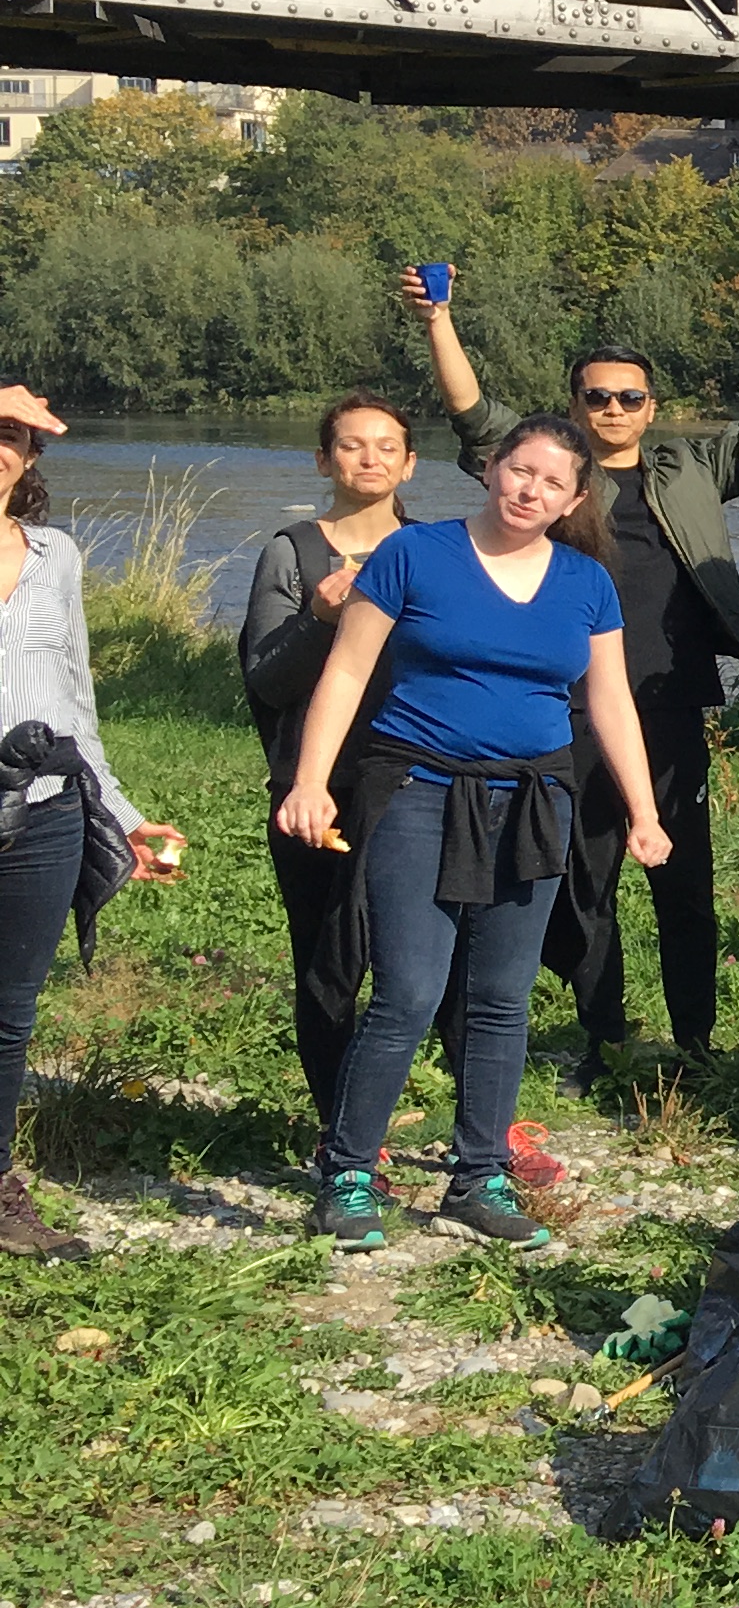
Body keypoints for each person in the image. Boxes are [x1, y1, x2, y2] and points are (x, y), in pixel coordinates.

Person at [418, 266, 739, 1082]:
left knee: (684, 881)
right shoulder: (556, 478)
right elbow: (474, 417)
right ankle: (603, 1039)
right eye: (597, 397)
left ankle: (695, 1040)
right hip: (568, 707)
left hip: (669, 704)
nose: (613, 410)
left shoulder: (690, 469)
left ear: (651, 406)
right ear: (574, 407)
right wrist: (438, 321)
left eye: (629, 397)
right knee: (584, 879)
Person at [280, 413, 664, 1254]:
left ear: (574, 498)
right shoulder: (415, 555)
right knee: (411, 990)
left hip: (533, 803)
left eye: (552, 481)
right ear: (492, 469)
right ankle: (348, 1172)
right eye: (520, 470)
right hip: (416, 788)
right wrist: (311, 781)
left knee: (500, 998)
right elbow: (345, 672)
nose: (531, 490)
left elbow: (609, 704)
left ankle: (478, 1175)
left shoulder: (585, 582)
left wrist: (643, 810)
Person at [0, 388, 180, 1264]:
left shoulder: (55, 555)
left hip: (43, 811)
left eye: (11, 438)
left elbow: (77, 704)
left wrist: (123, 813)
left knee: (9, 1015)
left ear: (31, 458)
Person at [238, 393, 421, 1129]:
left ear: (410, 463)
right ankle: (338, 1129)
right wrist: (318, 618)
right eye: (351, 445)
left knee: (424, 960)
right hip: (316, 791)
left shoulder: (435, 552)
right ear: (323, 459)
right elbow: (267, 680)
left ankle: (468, 1127)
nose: (369, 458)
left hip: (415, 783)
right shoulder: (292, 551)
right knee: (325, 962)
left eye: (386, 446)